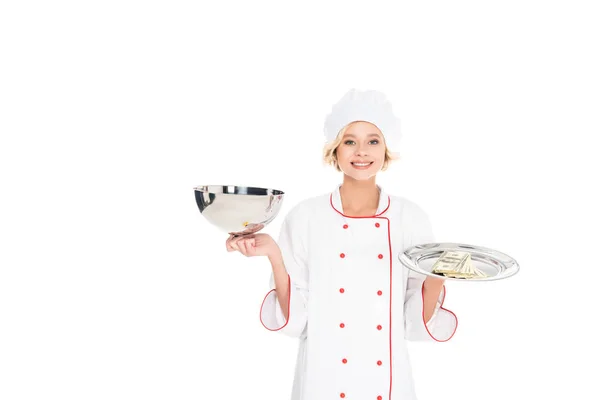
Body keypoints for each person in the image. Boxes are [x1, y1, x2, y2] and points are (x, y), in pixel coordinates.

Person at [225, 88, 458, 400]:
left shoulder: (410, 218)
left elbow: (415, 320)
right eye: (350, 141)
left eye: (372, 141)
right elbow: (297, 319)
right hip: (323, 378)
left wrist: (438, 274)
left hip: (387, 381)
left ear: (386, 150)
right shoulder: (306, 216)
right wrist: (273, 255)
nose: (361, 151)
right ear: (335, 150)